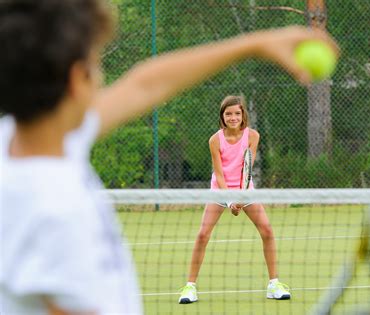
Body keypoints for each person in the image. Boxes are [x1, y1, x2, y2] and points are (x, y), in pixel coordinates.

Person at [0, 1, 338, 314]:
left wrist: (253, 45)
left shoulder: (24, 137)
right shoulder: (55, 211)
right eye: (96, 64)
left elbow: (146, 83)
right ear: (77, 81)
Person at [178, 95, 291, 304]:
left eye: (237, 113)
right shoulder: (214, 140)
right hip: (219, 192)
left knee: (267, 230)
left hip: (245, 190)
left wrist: (240, 196)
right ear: (222, 116)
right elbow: (219, 174)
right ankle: (189, 287)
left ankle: (274, 283)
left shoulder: (253, 136)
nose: (233, 117)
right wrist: (230, 201)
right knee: (203, 235)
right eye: (228, 114)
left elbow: (247, 169)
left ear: (243, 115)